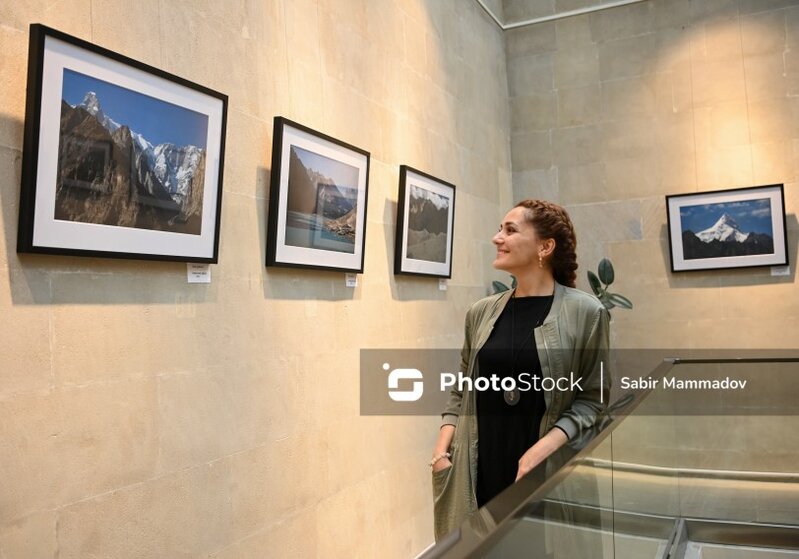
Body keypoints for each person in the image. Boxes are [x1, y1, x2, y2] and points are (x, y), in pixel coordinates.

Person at [430, 199, 610, 541]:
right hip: (477, 473)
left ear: (545, 246)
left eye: (510, 230)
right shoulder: (480, 312)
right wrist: (440, 454)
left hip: (543, 473)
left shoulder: (586, 312)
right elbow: (461, 387)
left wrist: (539, 453)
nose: (497, 238)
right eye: (500, 229)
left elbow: (593, 398)